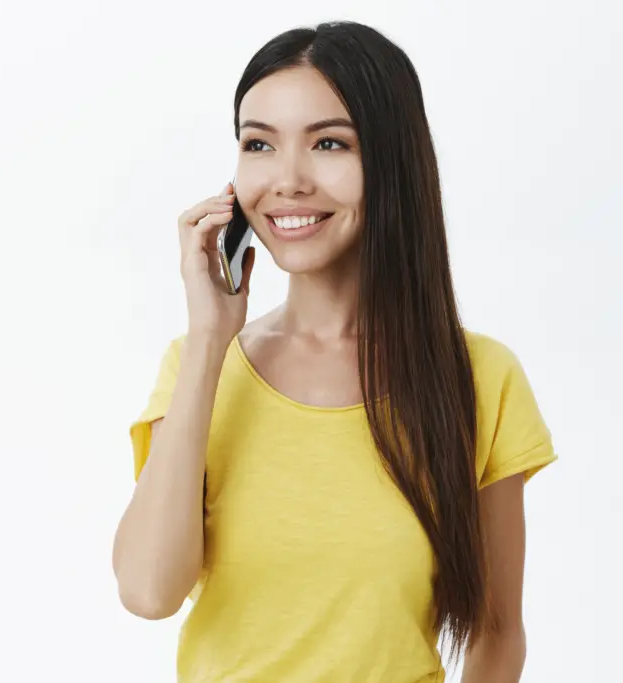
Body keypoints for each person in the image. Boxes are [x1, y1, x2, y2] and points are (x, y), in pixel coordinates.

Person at [111, 21, 557, 683]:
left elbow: (497, 634)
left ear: (392, 159)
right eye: (258, 142)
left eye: (328, 143)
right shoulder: (197, 366)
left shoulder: (480, 378)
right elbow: (149, 593)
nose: (287, 179)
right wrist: (210, 338)